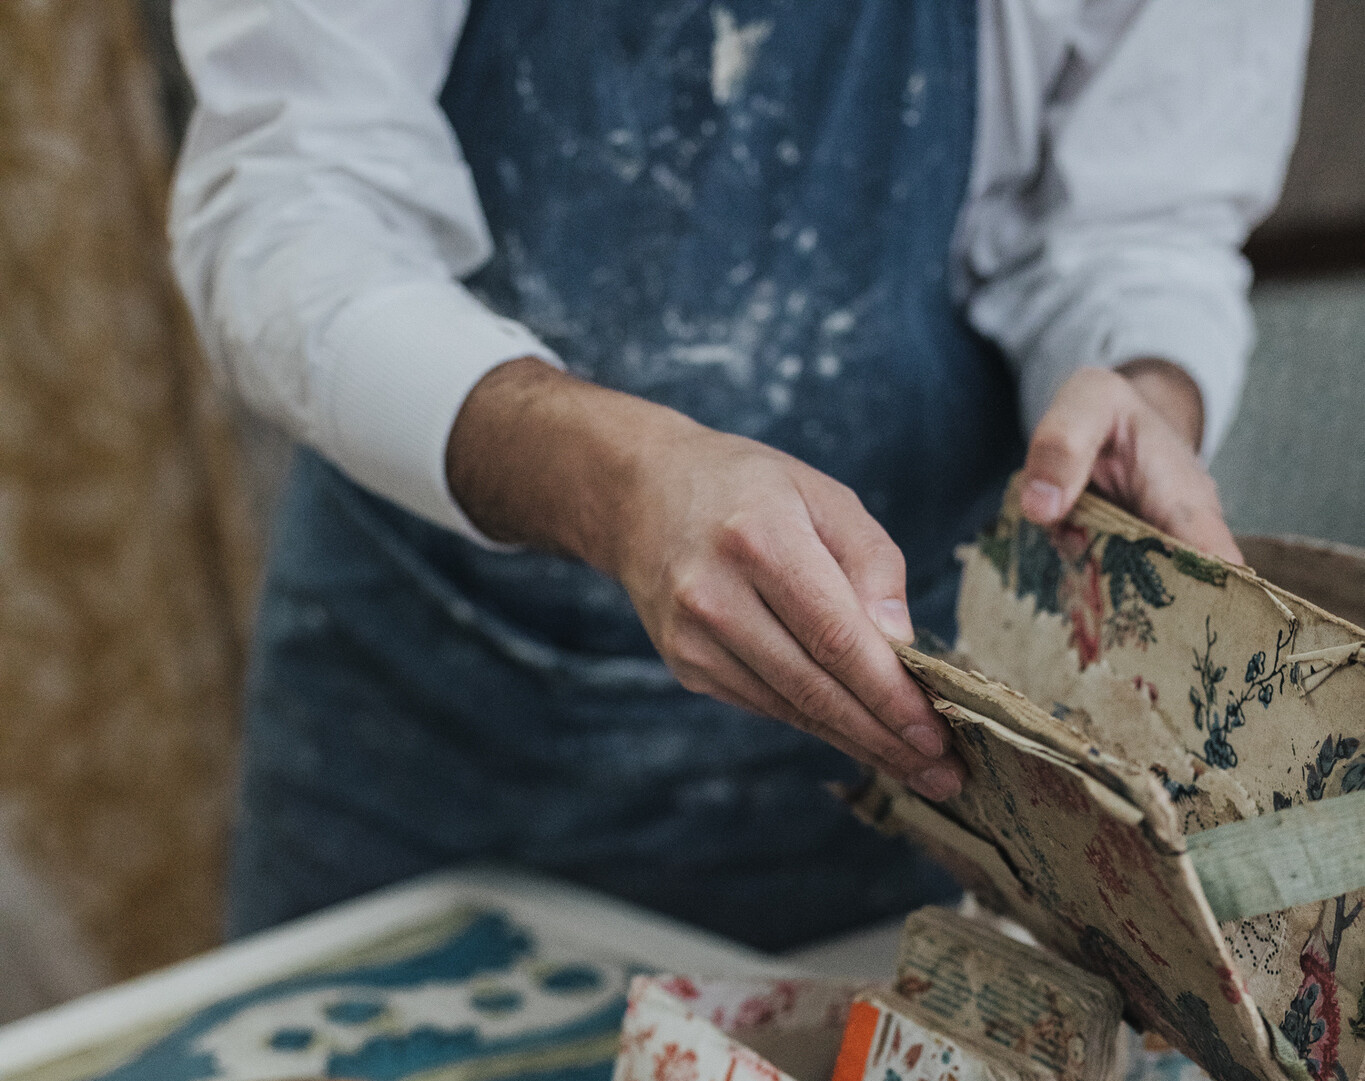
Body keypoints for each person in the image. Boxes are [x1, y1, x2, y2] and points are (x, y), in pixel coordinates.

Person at [171, 0, 1310, 951]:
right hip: (424, 715)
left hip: (896, 735)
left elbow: (1135, 228)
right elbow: (289, 196)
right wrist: (621, 482)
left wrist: (1142, 388)